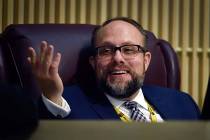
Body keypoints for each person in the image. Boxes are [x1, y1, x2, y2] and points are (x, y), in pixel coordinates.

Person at [27, 17, 200, 122]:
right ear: (94, 63)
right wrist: (52, 97)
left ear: (146, 61)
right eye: (106, 51)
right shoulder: (66, 103)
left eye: (129, 49)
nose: (118, 58)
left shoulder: (182, 102)